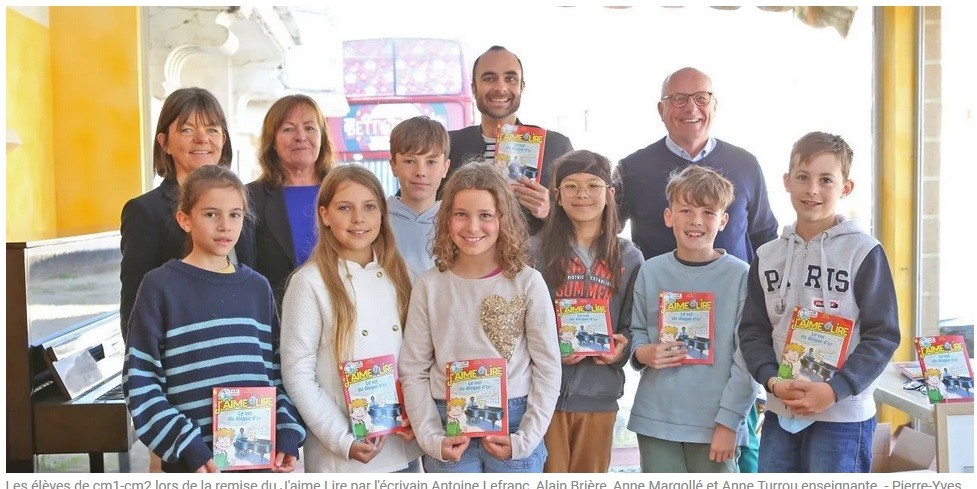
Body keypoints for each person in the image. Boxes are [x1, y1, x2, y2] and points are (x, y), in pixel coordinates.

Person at [613, 67, 778, 471]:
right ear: (661, 109)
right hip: (664, 388)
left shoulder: (745, 164)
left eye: (701, 97)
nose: (691, 107)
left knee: (741, 456)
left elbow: (766, 237)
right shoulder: (633, 167)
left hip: (728, 357)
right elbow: (605, 233)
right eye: (678, 99)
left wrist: (770, 316)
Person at [123, 165, 305, 473]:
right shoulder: (159, 287)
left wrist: (287, 432)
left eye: (235, 215)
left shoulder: (257, 288)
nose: (225, 226)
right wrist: (186, 445)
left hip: (258, 463)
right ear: (185, 219)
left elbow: (277, 371)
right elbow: (141, 381)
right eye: (211, 214)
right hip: (192, 464)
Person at [737, 131, 900, 472]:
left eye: (826, 179)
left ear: (845, 188)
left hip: (842, 417)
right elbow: (752, 331)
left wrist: (835, 390)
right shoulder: (767, 256)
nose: (812, 189)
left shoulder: (863, 251)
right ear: (787, 181)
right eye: (803, 177)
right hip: (782, 412)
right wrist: (771, 381)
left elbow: (882, 335)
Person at [399, 162, 561, 473]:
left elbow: (548, 368)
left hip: (515, 422)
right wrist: (431, 437)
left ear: (504, 220)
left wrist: (525, 439)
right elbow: (414, 370)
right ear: (446, 219)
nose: (473, 227)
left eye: (485, 215)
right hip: (446, 422)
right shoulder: (429, 286)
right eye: (461, 214)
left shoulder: (528, 282)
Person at [279, 165, 422, 473]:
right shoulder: (309, 283)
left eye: (369, 207)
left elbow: (418, 359)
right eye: (345, 207)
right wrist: (343, 439)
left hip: (402, 449)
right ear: (325, 215)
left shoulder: (403, 276)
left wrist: (419, 417)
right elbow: (297, 374)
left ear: (382, 215)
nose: (359, 219)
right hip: (341, 458)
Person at [628, 165, 759, 473]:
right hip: (657, 420)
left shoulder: (741, 275)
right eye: (685, 209)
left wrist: (729, 422)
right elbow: (636, 332)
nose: (696, 220)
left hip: (716, 424)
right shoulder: (651, 270)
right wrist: (643, 352)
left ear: (724, 220)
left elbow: (749, 358)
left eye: (708, 212)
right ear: (668, 216)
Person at [528, 150, 644, 473]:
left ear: (610, 194)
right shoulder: (533, 252)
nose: (582, 195)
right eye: (571, 187)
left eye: (593, 186)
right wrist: (551, 352)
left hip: (599, 396)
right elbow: (520, 326)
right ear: (557, 196)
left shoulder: (629, 257)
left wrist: (621, 350)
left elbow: (634, 326)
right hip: (543, 400)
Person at [120, 87, 232, 340]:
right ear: (164, 143)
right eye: (187, 129)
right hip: (178, 360)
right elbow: (134, 308)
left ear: (223, 140)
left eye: (212, 129)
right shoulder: (144, 212)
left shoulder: (240, 208)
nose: (202, 139)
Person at [443, 45, 574, 234]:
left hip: (533, 261)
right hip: (464, 259)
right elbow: (417, 205)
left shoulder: (556, 146)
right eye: (489, 79)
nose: (501, 88)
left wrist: (549, 212)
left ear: (521, 85)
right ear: (474, 87)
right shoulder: (448, 144)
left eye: (510, 79)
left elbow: (583, 221)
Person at [236, 94, 335, 307]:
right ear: (272, 141)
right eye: (288, 129)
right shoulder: (250, 198)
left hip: (341, 313)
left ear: (322, 137)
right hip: (279, 318)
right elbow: (246, 270)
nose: (301, 137)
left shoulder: (343, 191)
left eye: (310, 128)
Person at [387, 116, 451, 282]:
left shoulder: (456, 222)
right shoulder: (377, 221)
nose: (420, 171)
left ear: (445, 167)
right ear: (393, 165)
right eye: (409, 161)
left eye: (431, 162)